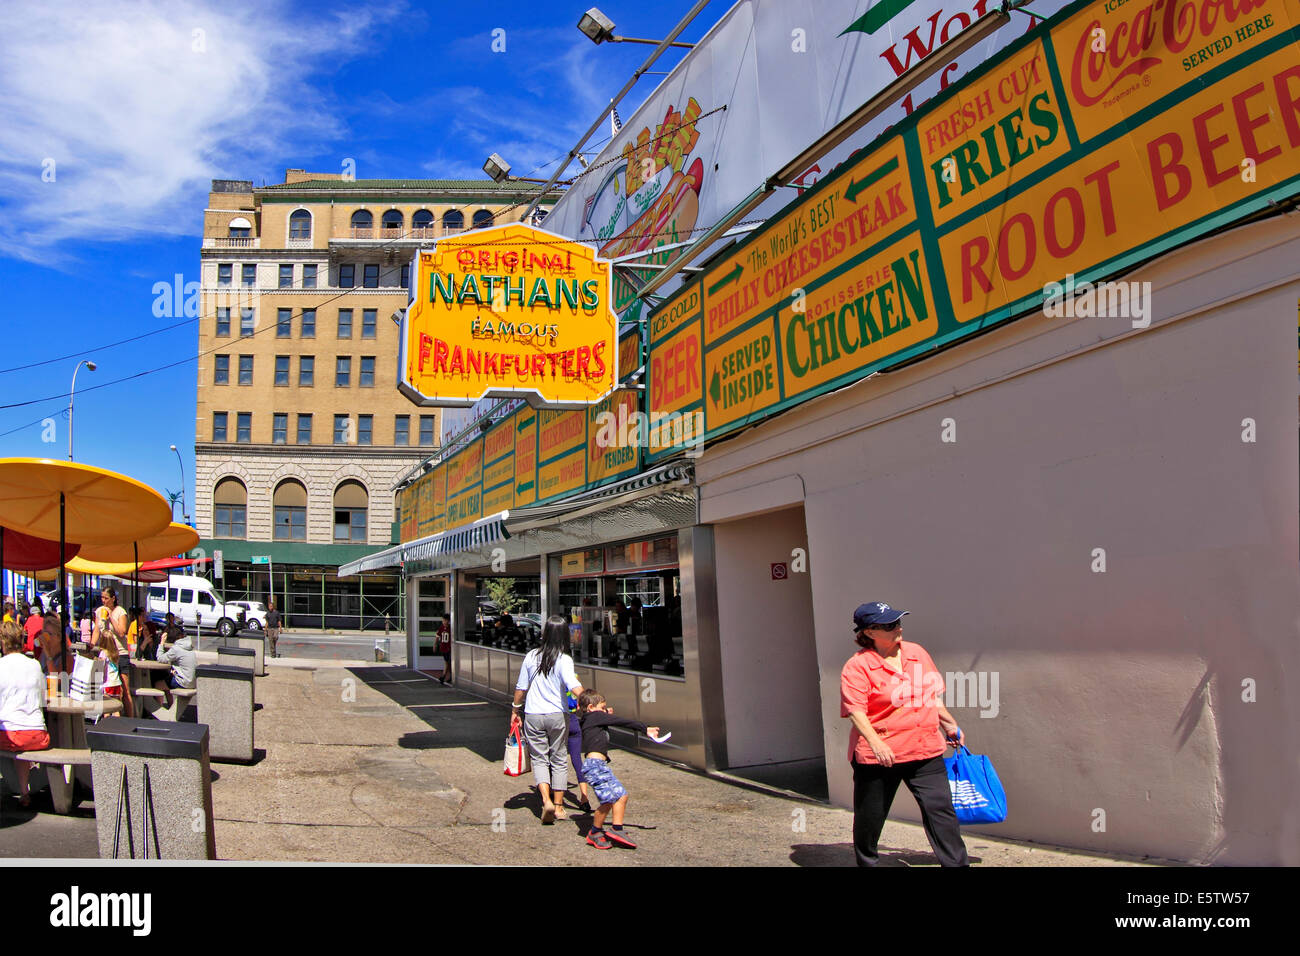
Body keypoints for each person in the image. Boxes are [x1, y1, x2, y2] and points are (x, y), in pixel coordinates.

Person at [841, 601, 967, 867]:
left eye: (898, 621)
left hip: (924, 750)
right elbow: (855, 711)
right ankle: (868, 862)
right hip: (880, 757)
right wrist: (876, 743)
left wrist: (949, 724)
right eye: (889, 625)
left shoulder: (916, 653)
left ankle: (956, 864)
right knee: (870, 817)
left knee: (941, 812)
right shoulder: (858, 666)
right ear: (869, 632)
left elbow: (930, 695)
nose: (898, 627)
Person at [509, 616, 583, 825]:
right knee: (559, 758)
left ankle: (546, 800)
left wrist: (515, 710)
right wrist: (590, 699)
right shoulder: (564, 659)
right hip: (558, 715)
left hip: (533, 714)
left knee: (540, 759)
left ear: (545, 634)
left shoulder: (532, 656)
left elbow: (521, 687)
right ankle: (559, 807)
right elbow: (572, 685)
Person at [576, 690, 663, 849]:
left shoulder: (592, 719)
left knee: (621, 796)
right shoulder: (595, 717)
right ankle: (594, 832)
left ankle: (617, 829)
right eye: (603, 707)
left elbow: (604, 719)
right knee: (608, 799)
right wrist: (645, 728)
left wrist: (604, 714)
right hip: (594, 766)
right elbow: (621, 721)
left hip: (600, 766)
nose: (606, 710)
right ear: (590, 707)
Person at [0, 621, 51, 807]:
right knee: (19, 734)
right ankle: (24, 792)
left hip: (11, 735)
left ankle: (21, 791)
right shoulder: (35, 665)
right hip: (37, 734)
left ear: (3, 642)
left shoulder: (1, 665)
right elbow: (42, 698)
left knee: (12, 730)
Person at [95, 587, 134, 717]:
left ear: (113, 598)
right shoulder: (99, 611)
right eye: (102, 597)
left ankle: (130, 718)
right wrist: (91, 645)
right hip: (105, 652)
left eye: (106, 598)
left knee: (125, 690)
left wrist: (111, 617)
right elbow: (96, 630)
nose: (104, 601)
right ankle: (109, 718)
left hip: (119, 654)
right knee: (106, 686)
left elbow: (122, 632)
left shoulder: (120, 612)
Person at [154, 627, 196, 710]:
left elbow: (160, 658)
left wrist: (162, 643)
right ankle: (170, 707)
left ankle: (159, 710)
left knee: (158, 684)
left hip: (183, 682)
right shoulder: (189, 647)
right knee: (166, 683)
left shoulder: (176, 649)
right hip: (192, 682)